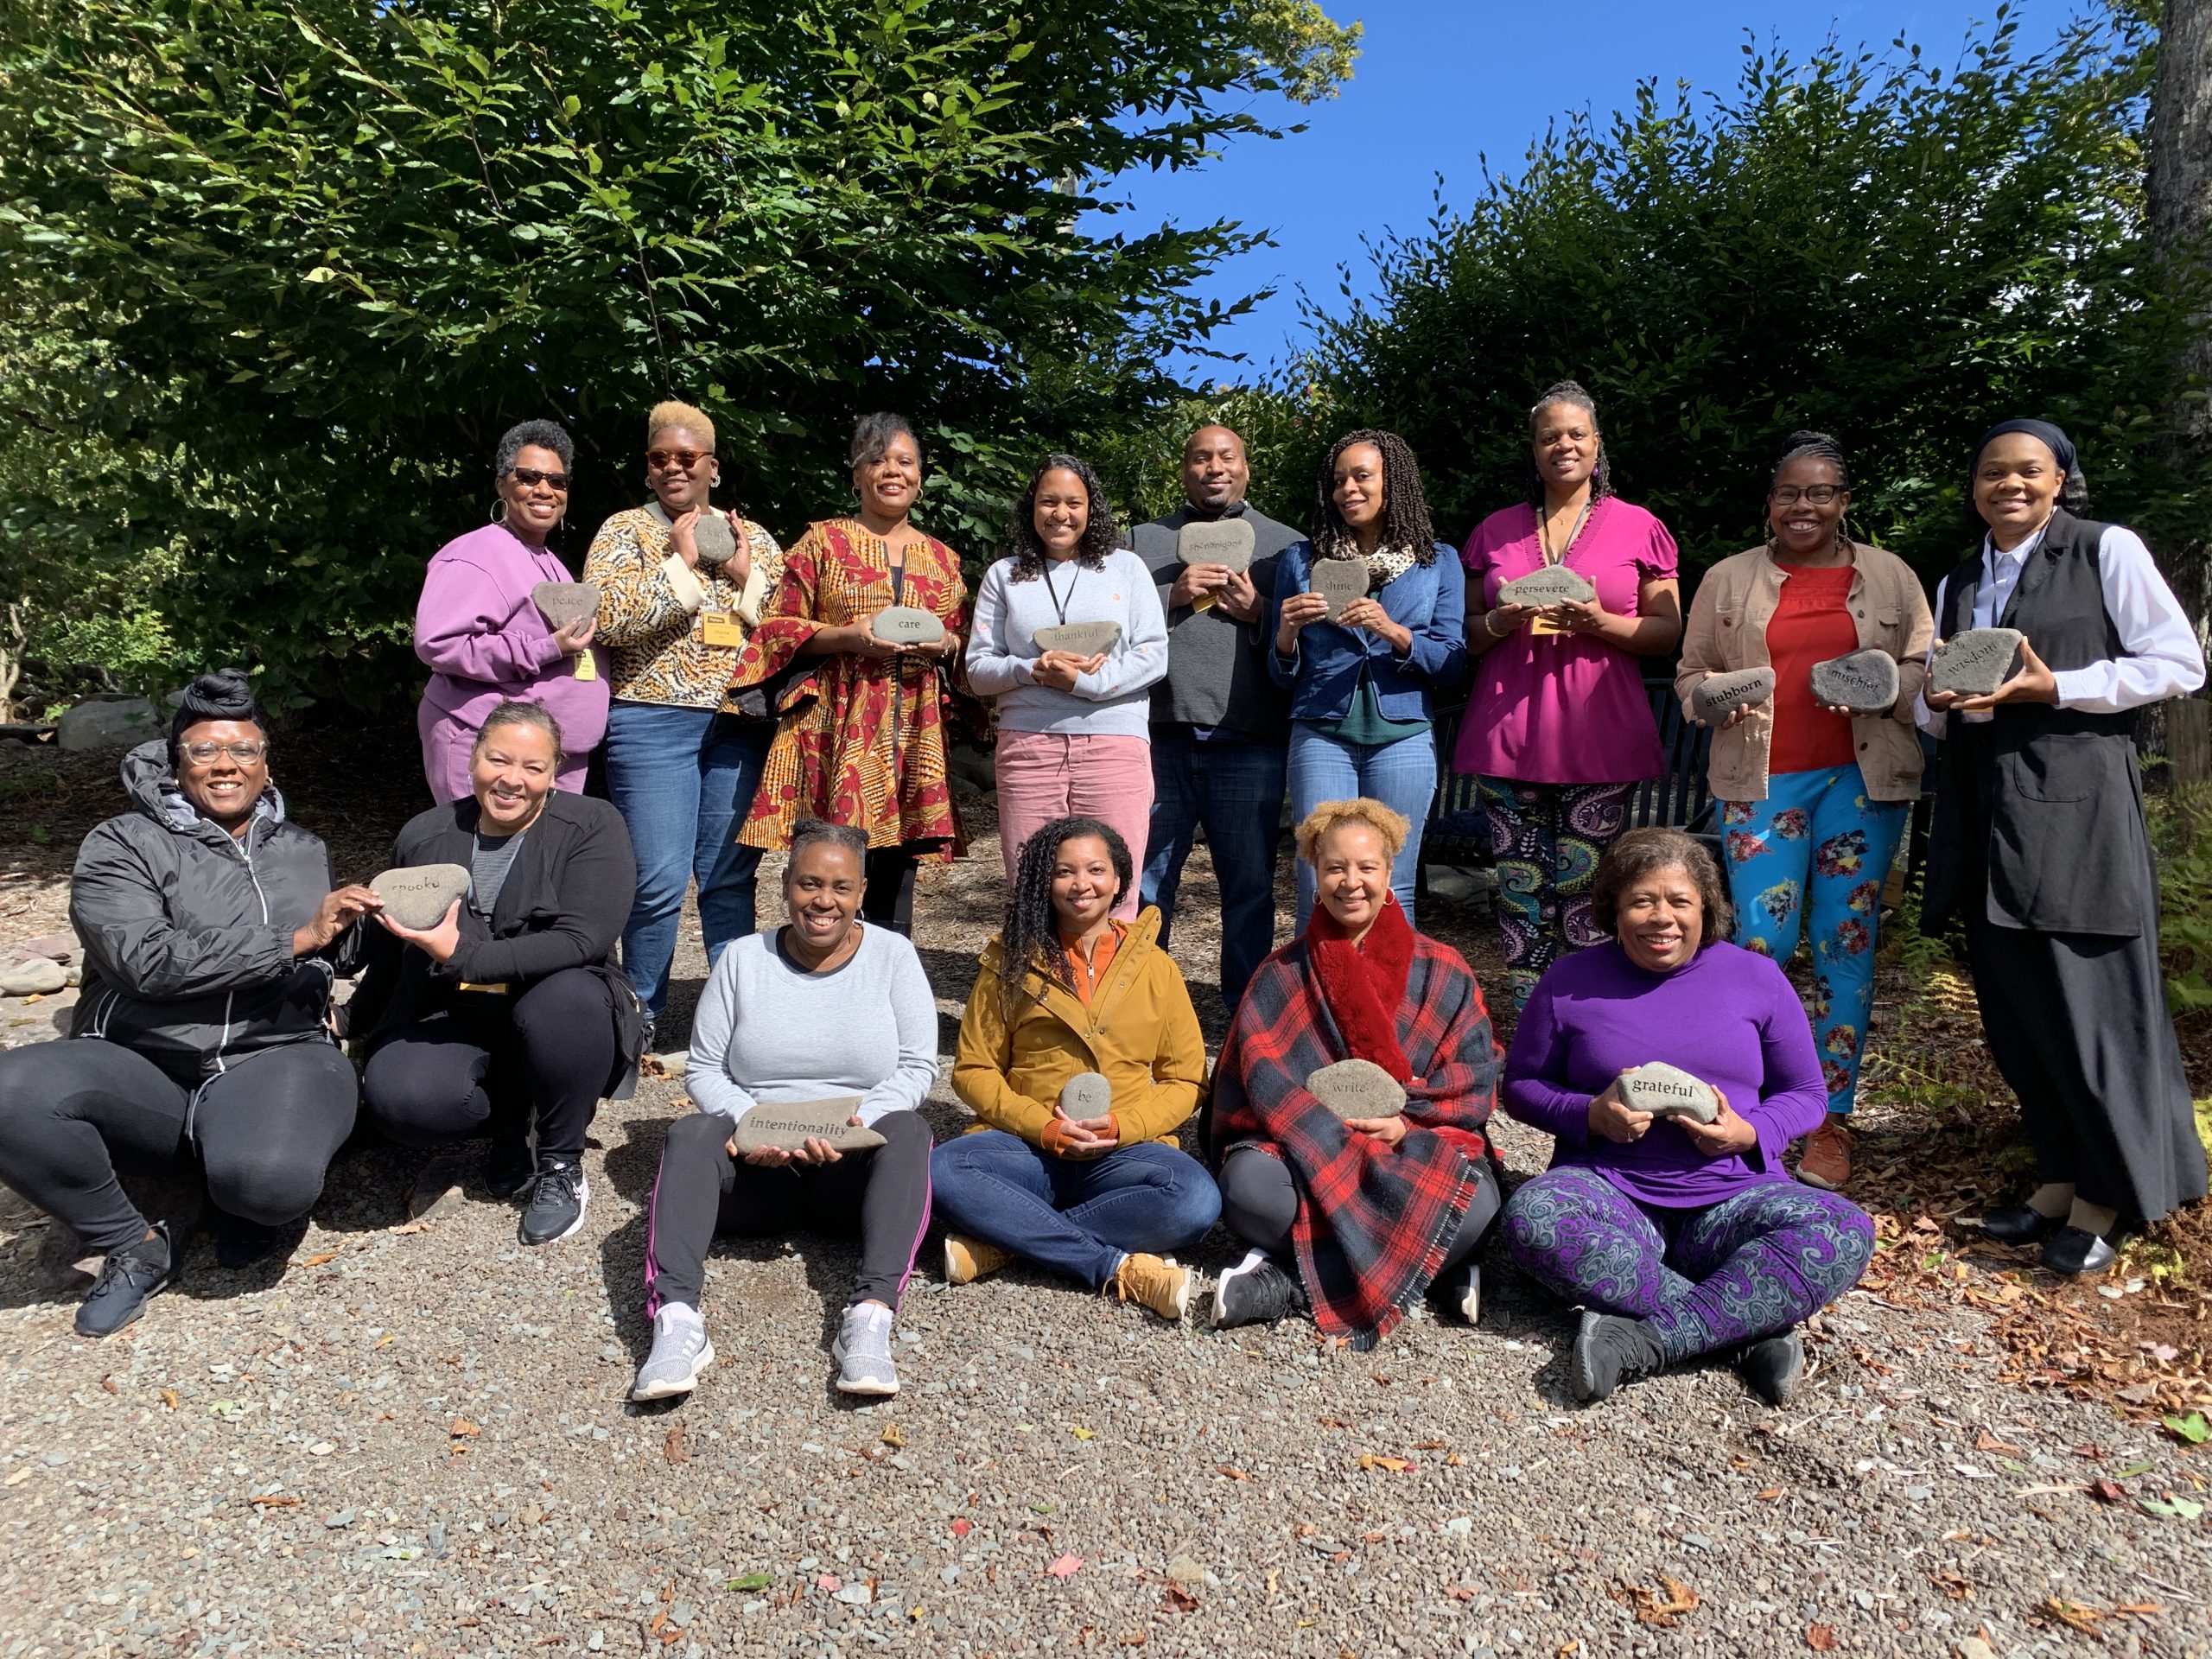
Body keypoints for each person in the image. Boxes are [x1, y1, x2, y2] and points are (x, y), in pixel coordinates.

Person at [1920, 419, 2209, 1276]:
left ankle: (2108, 1195)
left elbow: (2176, 663)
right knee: (2016, 1011)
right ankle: (2056, 1179)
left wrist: (2059, 686)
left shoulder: (2103, 550)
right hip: (1987, 812)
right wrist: (1923, 696)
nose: (2008, 486)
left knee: (2090, 1009)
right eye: (1991, 474)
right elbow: (1943, 704)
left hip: (2077, 808)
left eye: (2028, 473)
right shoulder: (1960, 577)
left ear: (2059, 481)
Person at [0, 671, 369, 1336]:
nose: (226, 764)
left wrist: (365, 927)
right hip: (147, 1061)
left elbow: (326, 951)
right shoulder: (121, 843)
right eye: (204, 750)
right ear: (177, 762)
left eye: (244, 749)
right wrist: (294, 939)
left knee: (267, 1187)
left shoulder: (303, 848)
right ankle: (132, 1242)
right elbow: (143, 961)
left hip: (274, 1053)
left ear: (266, 762)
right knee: (12, 1091)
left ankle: (230, 1188)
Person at [1498, 830, 1876, 1405]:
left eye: (1679, 901)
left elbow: (1805, 1093)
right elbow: (1521, 1087)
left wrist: (1750, 1133)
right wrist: (1591, 1115)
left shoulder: (1755, 979)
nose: (1661, 918)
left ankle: (1643, 1340)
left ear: (1707, 908)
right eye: (1642, 901)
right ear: (1615, 909)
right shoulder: (1569, 983)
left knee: (1846, 1230)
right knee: (1534, 1218)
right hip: (1613, 1197)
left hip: (1732, 1200)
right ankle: (1745, 1328)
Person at [1676, 431, 1933, 1192]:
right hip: (1761, 779)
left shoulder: (1889, 577)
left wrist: (1884, 685)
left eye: (1821, 492)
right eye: (1790, 492)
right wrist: (1708, 700)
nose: (1804, 505)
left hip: (1860, 778)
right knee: (1761, 939)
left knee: (1843, 942)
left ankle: (1829, 1119)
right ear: (1770, 502)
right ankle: (1747, 1104)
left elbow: (1922, 664)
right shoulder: (1728, 579)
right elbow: (1691, 672)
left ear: (1844, 502)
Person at [632, 821, 938, 1402]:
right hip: (758, 1173)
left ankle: (870, 1317)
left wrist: (855, 1126)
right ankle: (677, 1322)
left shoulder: (894, 957)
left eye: (841, 888)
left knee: (911, 1130)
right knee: (692, 1133)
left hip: (848, 1168)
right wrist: (750, 1126)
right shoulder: (743, 959)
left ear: (862, 892)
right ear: (786, 886)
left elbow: (918, 1066)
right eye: (810, 884)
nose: (824, 901)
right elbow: (704, 1069)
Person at [1207, 799, 1501, 1346]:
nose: (1351, 882)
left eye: (1367, 868)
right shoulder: (1281, 971)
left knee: (1480, 1204)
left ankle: (1284, 1281)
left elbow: (1474, 1078)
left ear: (1391, 872)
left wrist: (1405, 1124)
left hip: (1412, 1141)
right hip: (1309, 1149)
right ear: (1315, 874)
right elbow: (1260, 1076)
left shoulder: (1444, 967)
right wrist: (1325, 1131)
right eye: (1335, 868)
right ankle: (1430, 1270)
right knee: (1248, 1189)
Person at [353, 701, 645, 1249]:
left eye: (533, 768)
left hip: (559, 1005)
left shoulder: (592, 825)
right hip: (456, 1009)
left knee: (568, 1001)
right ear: (472, 759)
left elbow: (583, 940)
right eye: (498, 760)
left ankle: (560, 1160)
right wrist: (354, 1017)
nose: (513, 780)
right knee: (404, 1102)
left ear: (554, 773)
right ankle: (513, 1121)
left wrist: (463, 956)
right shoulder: (426, 833)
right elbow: (394, 948)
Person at [933, 817, 1218, 1320]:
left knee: (1195, 1202)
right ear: (1045, 881)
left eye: (1095, 870)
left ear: (1119, 879)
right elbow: (973, 1070)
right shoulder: (1009, 962)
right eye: (1064, 871)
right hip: (1026, 1149)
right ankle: (1111, 1265)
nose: (1081, 884)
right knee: (944, 1169)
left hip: (1122, 1153)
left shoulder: (1157, 968)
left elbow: (1187, 1079)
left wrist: (1125, 1126)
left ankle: (1008, 1240)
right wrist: (1041, 1128)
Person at [1458, 381, 1682, 1012]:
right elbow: (1468, 637)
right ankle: (1533, 1023)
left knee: (1588, 892)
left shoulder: (1641, 528)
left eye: (1576, 433)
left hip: (1600, 735)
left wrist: (1598, 624)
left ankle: (1584, 1020)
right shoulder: (1494, 532)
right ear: (1533, 449)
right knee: (1520, 892)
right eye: (1549, 435)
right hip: (1508, 733)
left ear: (1597, 444)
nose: (1563, 444)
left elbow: (1667, 633)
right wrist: (1500, 623)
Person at [583, 400, 787, 1040]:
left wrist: (740, 571)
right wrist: (679, 560)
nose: (673, 468)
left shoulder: (753, 537)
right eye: (659, 459)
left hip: (737, 722)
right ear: (648, 469)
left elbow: (788, 628)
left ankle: (733, 1023)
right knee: (658, 879)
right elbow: (609, 619)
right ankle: (639, 1016)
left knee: (729, 877)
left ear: (713, 467)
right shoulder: (623, 532)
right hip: (651, 720)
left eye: (686, 458)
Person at [734, 413, 967, 935]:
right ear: (857, 474)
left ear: (920, 476)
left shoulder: (944, 560)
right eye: (877, 460)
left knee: (896, 873)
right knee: (829, 866)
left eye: (904, 461)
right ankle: (816, 979)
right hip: (838, 723)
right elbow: (777, 627)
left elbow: (965, 644)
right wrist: (848, 637)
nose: (892, 471)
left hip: (913, 727)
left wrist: (946, 644)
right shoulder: (822, 541)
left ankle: (883, 987)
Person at [1270, 429, 1466, 931]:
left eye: (1362, 476)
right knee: (1319, 880)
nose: (1348, 489)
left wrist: (1394, 632)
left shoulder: (1437, 561)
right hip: (1320, 731)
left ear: (1392, 483)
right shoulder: (1301, 559)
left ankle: (1387, 1003)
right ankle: (1315, 1004)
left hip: (1403, 733)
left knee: (1394, 882)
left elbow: (1451, 664)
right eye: (1339, 480)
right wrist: (1287, 631)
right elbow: (1278, 672)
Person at [1133, 424, 1300, 1010]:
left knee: (1250, 887)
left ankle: (1248, 1013)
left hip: (1250, 742)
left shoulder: (1286, 547)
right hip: (1160, 737)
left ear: (1247, 468)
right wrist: (1170, 598)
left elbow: (1305, 648)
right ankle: (1142, 1007)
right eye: (1200, 458)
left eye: (1227, 457)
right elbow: (1111, 624)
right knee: (1148, 883)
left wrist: (1262, 612)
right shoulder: (1143, 543)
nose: (1214, 468)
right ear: (1184, 470)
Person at [967, 454, 1169, 914]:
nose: (1061, 514)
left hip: (1114, 742)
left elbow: (1154, 655)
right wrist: (1030, 668)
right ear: (1031, 509)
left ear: (1091, 509)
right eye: (1048, 501)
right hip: (1029, 747)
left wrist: (1087, 684)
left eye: (1073, 502)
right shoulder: (1004, 575)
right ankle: (1040, 982)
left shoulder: (1127, 569)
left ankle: (1111, 984)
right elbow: (978, 670)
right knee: (1032, 882)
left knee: (1114, 881)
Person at [415, 420, 608, 803]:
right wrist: (545, 648)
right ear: (502, 484)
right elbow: (439, 642)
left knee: (539, 863)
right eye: (529, 477)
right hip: (490, 745)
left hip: (548, 754)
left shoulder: (548, 559)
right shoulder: (476, 553)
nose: (544, 490)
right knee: (482, 859)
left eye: (557, 481)